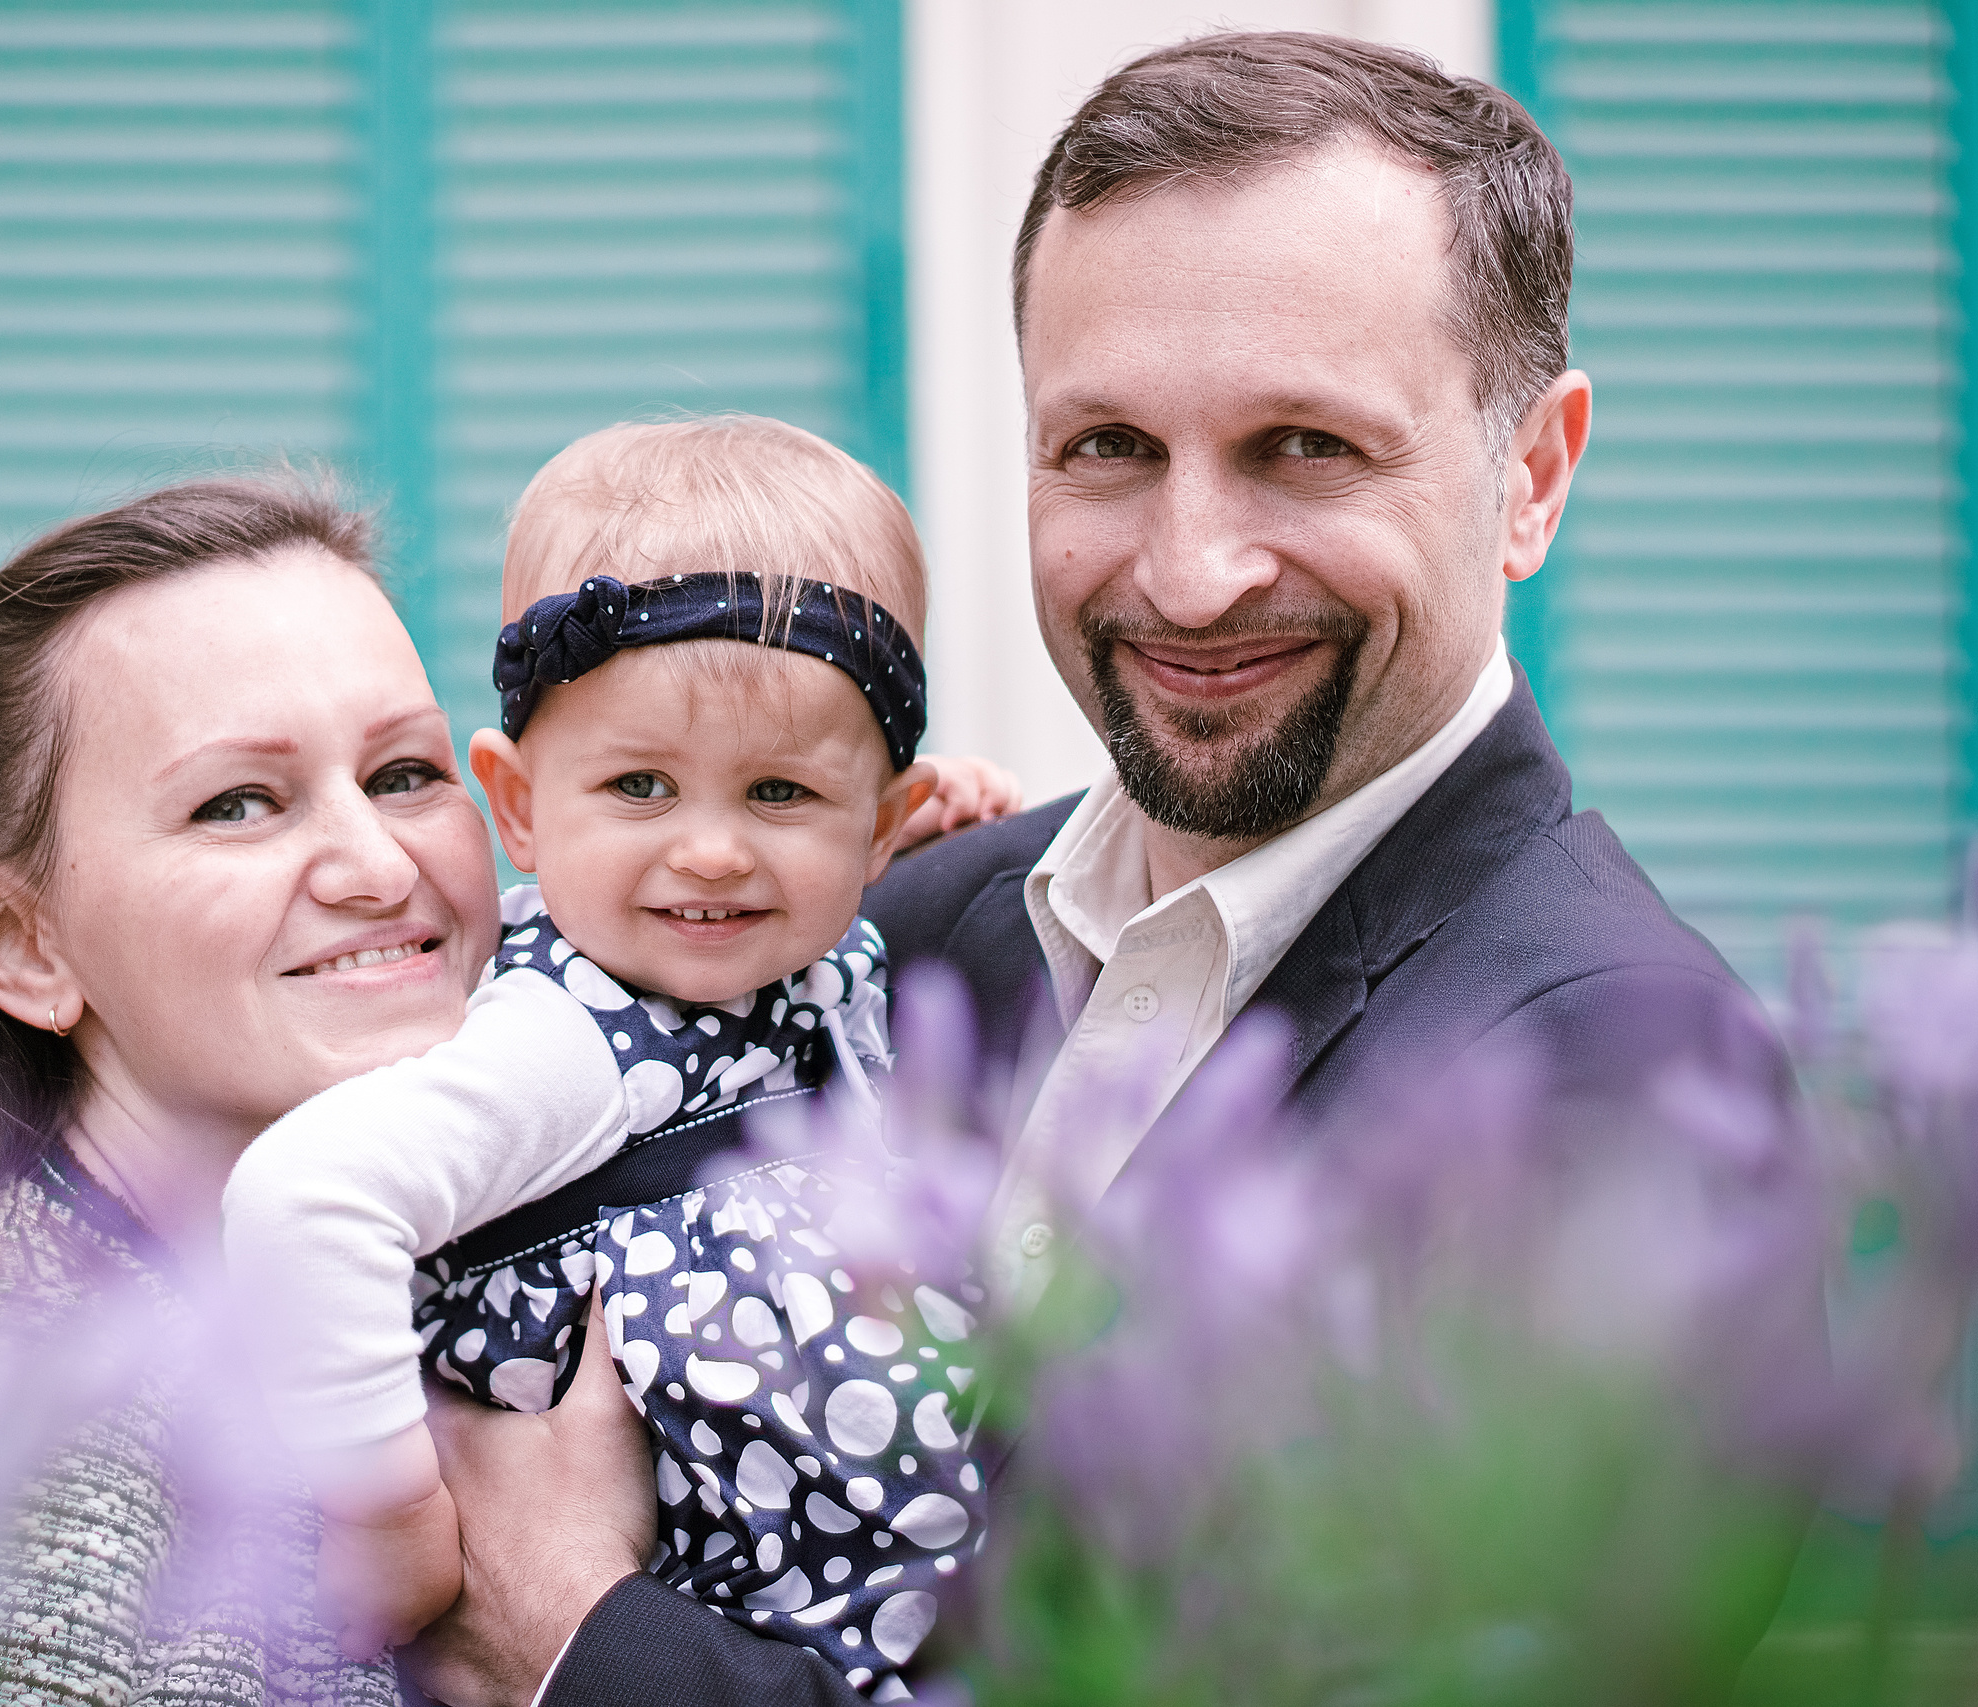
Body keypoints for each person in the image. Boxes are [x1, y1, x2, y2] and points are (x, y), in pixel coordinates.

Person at [398, 32, 1795, 1707]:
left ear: (1534, 474)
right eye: (1108, 448)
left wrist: (577, 1628)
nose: (1191, 574)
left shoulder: (1623, 1076)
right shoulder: (896, 924)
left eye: (1306, 449)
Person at [0, 468, 1018, 1704]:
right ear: (25, 942)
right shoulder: (29, 1448)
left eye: (400, 775)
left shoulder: (473, 1177)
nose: (380, 868)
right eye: (238, 804)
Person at [220, 418, 987, 1695]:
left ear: (880, 825)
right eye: (639, 787)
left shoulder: (768, 962)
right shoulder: (562, 1045)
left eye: (780, 795)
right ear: (517, 807)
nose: (711, 852)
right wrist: (391, 1514)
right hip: (701, 1622)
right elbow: (306, 1201)